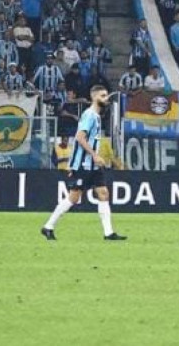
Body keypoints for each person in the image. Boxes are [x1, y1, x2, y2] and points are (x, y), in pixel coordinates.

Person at [41, 85, 127, 241]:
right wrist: (94, 155)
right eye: (102, 95)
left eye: (106, 95)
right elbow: (80, 138)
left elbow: (92, 140)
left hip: (93, 165)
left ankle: (109, 233)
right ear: (94, 97)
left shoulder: (97, 117)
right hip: (83, 164)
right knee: (73, 197)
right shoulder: (89, 115)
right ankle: (48, 226)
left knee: (103, 193)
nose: (106, 98)